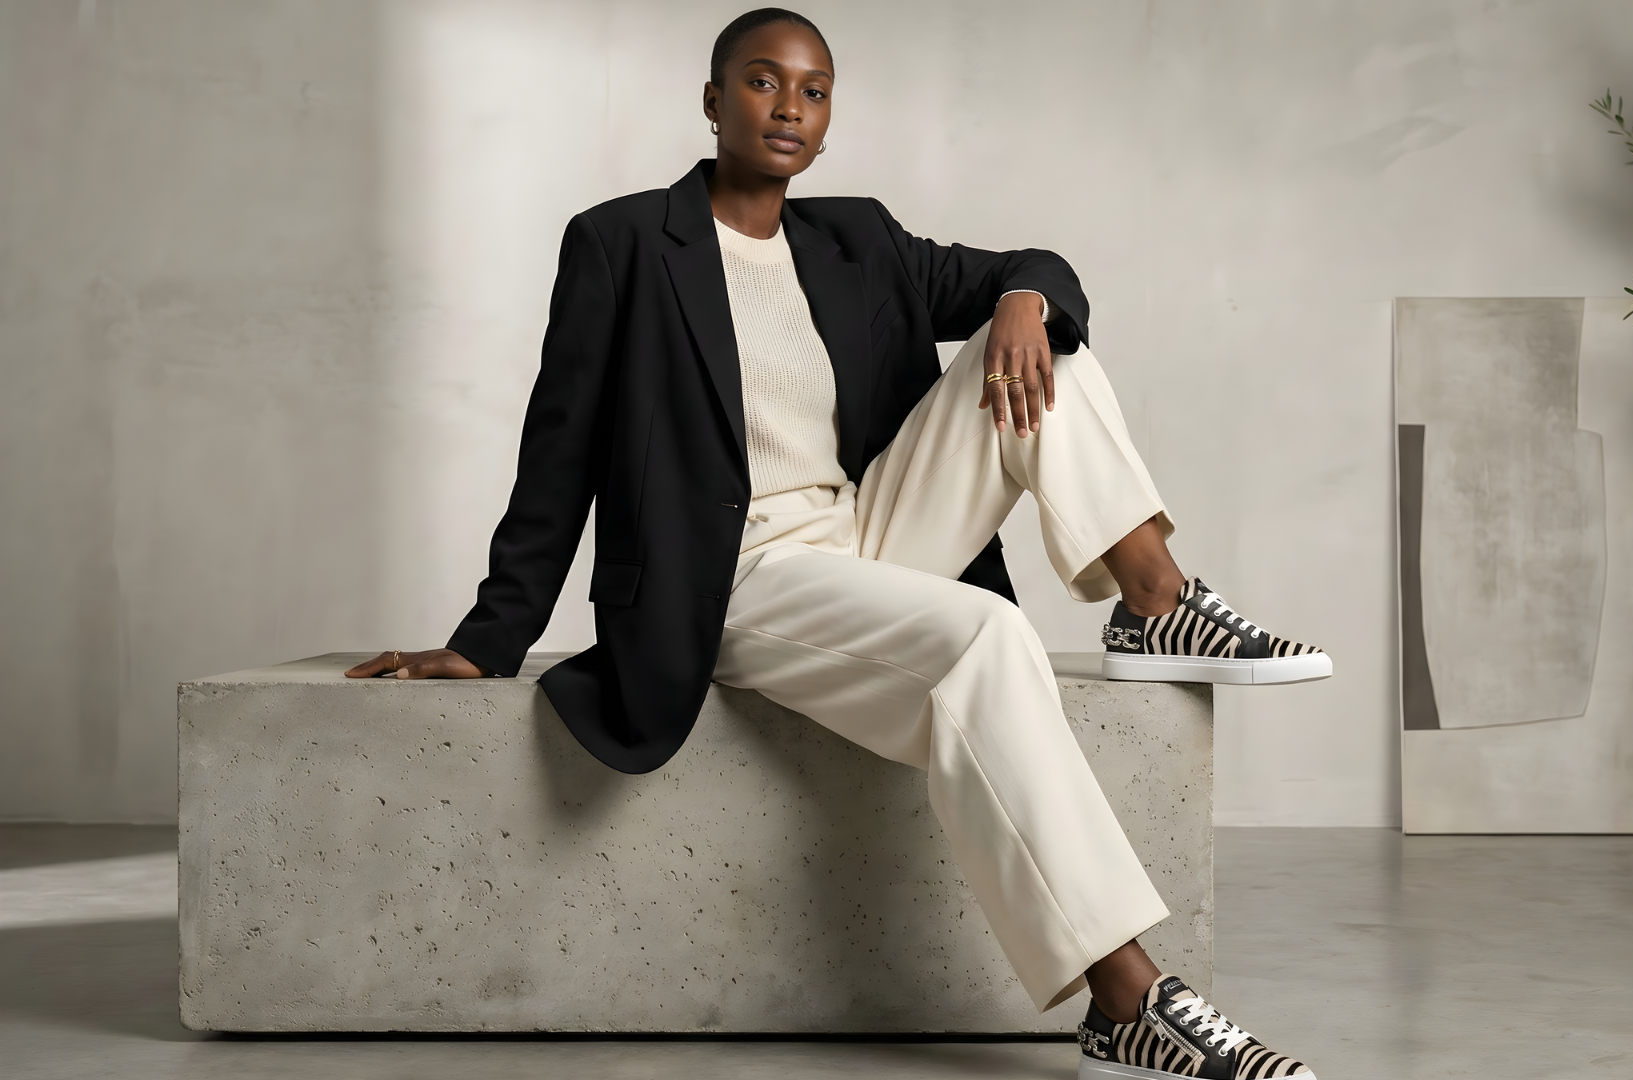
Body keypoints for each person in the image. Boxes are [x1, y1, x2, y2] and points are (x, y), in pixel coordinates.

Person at [349, 9, 1327, 1078]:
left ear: (827, 125)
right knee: (987, 639)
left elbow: (1035, 264)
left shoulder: (856, 238)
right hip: (737, 582)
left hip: (864, 539)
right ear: (715, 99)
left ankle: (1153, 602)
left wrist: (1021, 300)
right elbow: (560, 445)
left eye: (812, 92)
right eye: (763, 83)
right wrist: (489, 639)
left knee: (1047, 342)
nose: (788, 106)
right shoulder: (624, 242)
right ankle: (1127, 996)